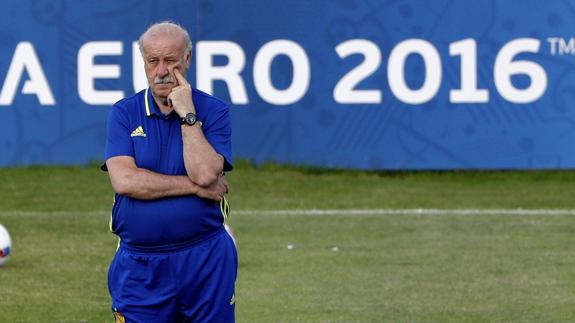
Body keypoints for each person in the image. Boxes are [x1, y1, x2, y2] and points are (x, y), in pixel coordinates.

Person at [102, 21, 236, 322]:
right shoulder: (124, 112)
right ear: (144, 63)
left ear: (187, 60)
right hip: (139, 266)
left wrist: (188, 114)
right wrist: (194, 189)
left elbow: (204, 173)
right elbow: (125, 181)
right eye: (153, 61)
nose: (161, 70)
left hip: (205, 260)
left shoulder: (213, 111)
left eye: (170, 60)